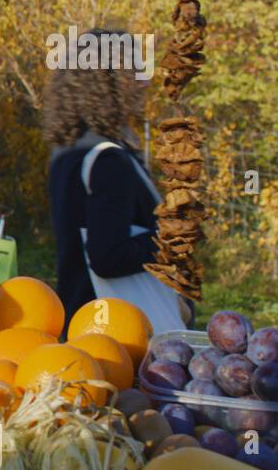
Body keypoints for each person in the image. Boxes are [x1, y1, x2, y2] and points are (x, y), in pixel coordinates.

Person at [43, 30, 189, 333]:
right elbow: (108, 256)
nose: (145, 81)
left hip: (80, 322)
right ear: (108, 81)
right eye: (135, 69)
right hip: (118, 335)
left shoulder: (68, 154)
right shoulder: (109, 162)